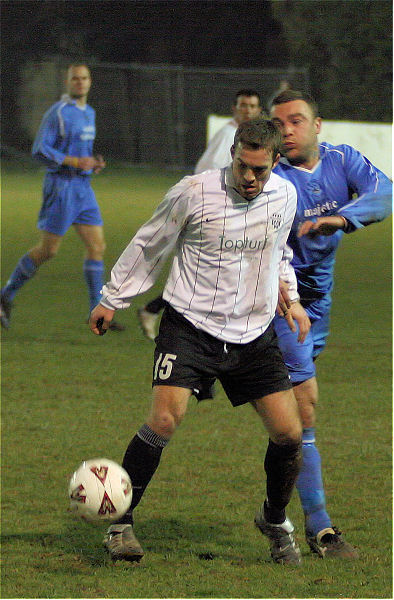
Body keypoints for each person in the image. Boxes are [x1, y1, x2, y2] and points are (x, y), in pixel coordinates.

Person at [89, 118, 310, 565]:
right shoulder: (194, 191)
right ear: (232, 153)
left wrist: (292, 297)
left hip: (253, 332)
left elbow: (278, 251)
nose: (250, 178)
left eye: (260, 170)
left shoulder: (285, 195)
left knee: (289, 433)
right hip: (189, 324)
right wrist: (113, 299)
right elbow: (151, 243)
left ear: (274, 163)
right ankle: (120, 524)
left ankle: (273, 518)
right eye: (243, 166)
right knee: (164, 421)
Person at [269, 89, 392, 559]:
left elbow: (386, 193)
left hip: (320, 300)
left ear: (317, 125)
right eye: (279, 123)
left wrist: (343, 218)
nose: (287, 131)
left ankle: (272, 511)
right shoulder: (274, 180)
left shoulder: (342, 160)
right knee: (305, 406)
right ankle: (321, 530)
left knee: (286, 427)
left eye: (296, 121)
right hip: (281, 301)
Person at [0, 64, 124, 331]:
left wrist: (91, 163)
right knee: (49, 250)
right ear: (67, 83)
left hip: (83, 188)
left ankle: (96, 311)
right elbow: (39, 149)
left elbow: (83, 153)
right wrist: (74, 161)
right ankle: (5, 295)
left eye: (84, 78)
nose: (79, 83)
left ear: (90, 82)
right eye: (74, 79)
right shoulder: (58, 113)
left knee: (97, 247)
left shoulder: (89, 113)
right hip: (62, 187)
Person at [137, 89, 264, 340]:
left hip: (234, 214)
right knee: (209, 276)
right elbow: (207, 174)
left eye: (252, 106)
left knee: (215, 276)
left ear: (258, 111)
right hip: (216, 215)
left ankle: (154, 310)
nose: (247, 110)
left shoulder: (248, 139)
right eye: (243, 105)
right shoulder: (229, 136)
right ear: (234, 108)